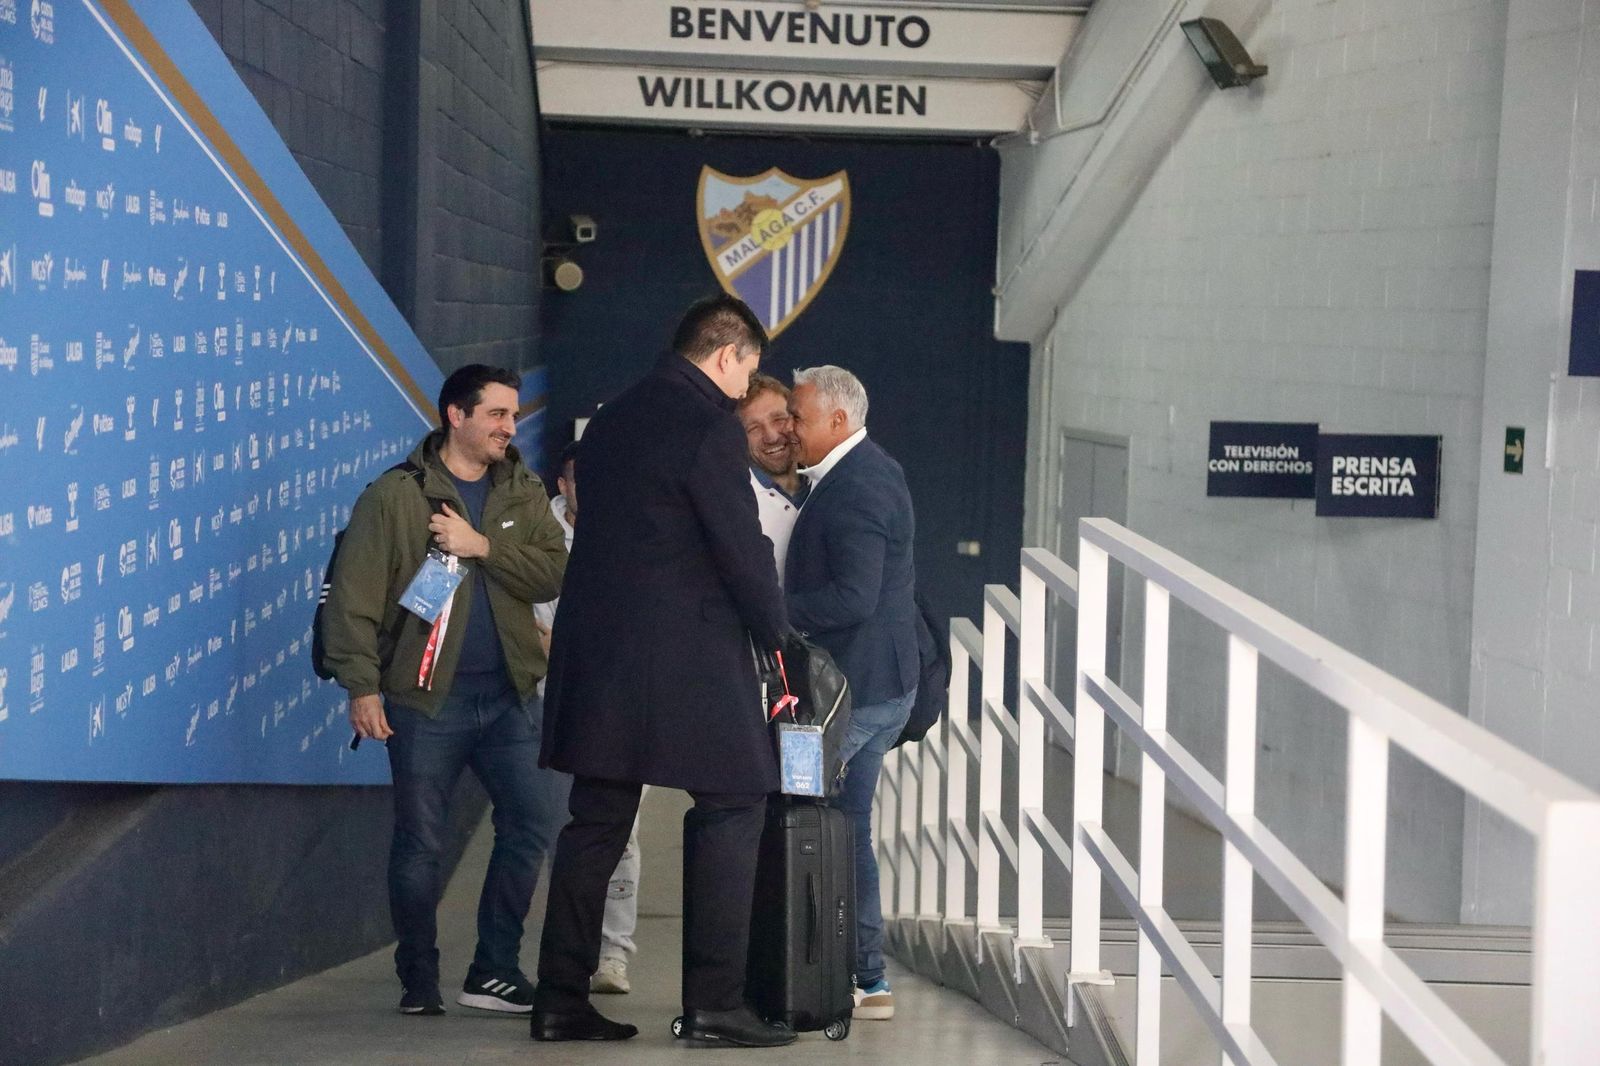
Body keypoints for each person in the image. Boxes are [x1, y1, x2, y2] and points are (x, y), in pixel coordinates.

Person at [531, 295, 795, 1048]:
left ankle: (559, 999)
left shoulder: (612, 419)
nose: (748, 385)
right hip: (684, 658)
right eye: (747, 367)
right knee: (736, 800)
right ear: (725, 355)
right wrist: (777, 635)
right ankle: (715, 1003)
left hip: (600, 652)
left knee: (597, 821)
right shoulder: (709, 426)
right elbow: (737, 544)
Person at [321, 364, 571, 1017]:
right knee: (421, 843)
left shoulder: (522, 490)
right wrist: (362, 689)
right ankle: (418, 976)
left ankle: (493, 969)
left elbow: (552, 574)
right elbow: (352, 602)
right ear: (455, 416)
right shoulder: (395, 497)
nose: (508, 428)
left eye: (513, 416)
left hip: (511, 696)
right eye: (496, 414)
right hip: (425, 702)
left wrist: (480, 545)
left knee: (530, 823)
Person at [783, 365, 918, 1022]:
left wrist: (771, 611)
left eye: (799, 417)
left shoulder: (858, 488)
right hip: (879, 686)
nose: (790, 429)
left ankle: (819, 971)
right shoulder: (868, 469)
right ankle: (867, 978)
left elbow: (852, 599)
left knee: (805, 823)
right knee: (849, 828)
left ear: (838, 421)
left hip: (858, 696)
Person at [532, 441, 641, 997]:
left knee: (623, 838)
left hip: (617, 706)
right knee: (562, 833)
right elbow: (538, 633)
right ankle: (564, 964)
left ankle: (614, 955)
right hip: (549, 708)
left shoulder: (629, 532)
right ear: (563, 484)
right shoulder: (537, 533)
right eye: (582, 480)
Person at [737, 373, 808, 582]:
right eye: (754, 428)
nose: (771, 436)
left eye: (779, 419)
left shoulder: (831, 481)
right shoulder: (735, 505)